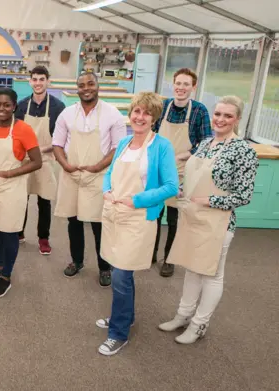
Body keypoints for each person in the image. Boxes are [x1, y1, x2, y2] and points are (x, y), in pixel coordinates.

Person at [159, 96, 258, 344]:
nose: (221, 120)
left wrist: (209, 200)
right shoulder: (205, 143)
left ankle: (199, 324)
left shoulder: (244, 150)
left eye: (228, 116)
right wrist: (182, 189)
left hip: (219, 222)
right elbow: (193, 175)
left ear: (237, 120)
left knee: (212, 274)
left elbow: (244, 195)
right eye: (218, 114)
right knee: (192, 268)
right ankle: (183, 315)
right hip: (193, 217)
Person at [95, 92, 178, 356]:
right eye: (137, 112)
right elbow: (109, 173)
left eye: (147, 113)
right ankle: (125, 317)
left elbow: (171, 186)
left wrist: (137, 200)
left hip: (138, 218)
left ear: (153, 118)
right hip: (114, 214)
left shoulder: (161, 146)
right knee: (121, 273)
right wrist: (106, 190)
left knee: (121, 275)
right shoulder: (124, 143)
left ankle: (118, 333)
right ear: (130, 114)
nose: (140, 117)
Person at [52, 72, 127, 287]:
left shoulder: (112, 114)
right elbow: (57, 144)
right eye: (82, 85)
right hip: (72, 174)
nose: (86, 88)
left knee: (99, 224)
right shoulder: (67, 114)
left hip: (98, 177)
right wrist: (65, 165)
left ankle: (105, 267)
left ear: (97, 86)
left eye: (91, 84)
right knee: (73, 221)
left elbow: (117, 147)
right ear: (77, 88)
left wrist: (97, 167)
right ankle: (76, 261)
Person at [0, 87, 42, 298]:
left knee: (9, 231)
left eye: (6, 105)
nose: (1, 109)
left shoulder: (24, 130)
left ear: (14, 107)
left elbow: (37, 161)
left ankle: (6, 276)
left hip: (12, 187)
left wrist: (11, 172)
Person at [153, 68, 212, 277]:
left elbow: (207, 143)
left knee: (174, 218)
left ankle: (169, 259)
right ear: (173, 84)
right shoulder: (162, 106)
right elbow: (152, 132)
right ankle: (150, 252)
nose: (181, 88)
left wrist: (184, 155)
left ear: (193, 87)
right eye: (178, 83)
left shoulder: (199, 110)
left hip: (183, 172)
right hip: (158, 169)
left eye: (186, 84)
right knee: (154, 214)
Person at [14, 66, 66, 255]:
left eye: (41, 79)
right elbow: (16, 135)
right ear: (30, 82)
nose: (38, 83)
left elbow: (60, 139)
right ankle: (18, 232)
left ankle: (43, 238)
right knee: (22, 197)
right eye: (34, 79)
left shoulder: (58, 107)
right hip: (25, 160)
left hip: (45, 159)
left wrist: (38, 149)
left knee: (44, 200)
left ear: (47, 81)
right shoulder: (21, 105)